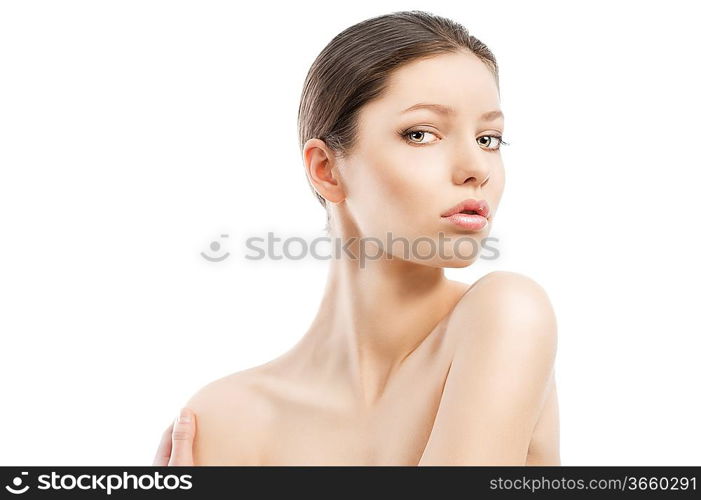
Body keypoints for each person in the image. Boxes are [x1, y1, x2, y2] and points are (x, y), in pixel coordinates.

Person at [155, 10, 560, 466]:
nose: (477, 168)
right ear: (326, 169)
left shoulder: (507, 315)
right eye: (422, 133)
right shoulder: (225, 417)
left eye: (489, 138)